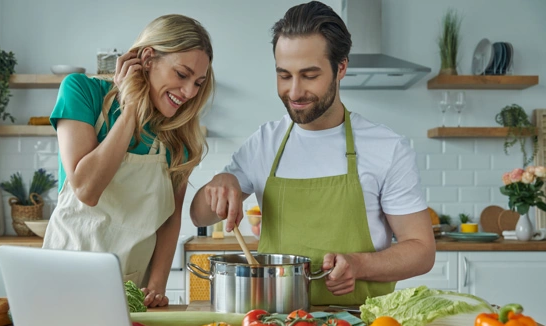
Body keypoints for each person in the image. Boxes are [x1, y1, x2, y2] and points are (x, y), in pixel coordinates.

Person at [190, 1, 435, 306]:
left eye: (309, 75)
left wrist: (360, 265)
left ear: (341, 68)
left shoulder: (386, 148)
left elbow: (422, 250)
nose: (294, 92)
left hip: (360, 325)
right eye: (284, 75)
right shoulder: (264, 143)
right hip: (275, 323)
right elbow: (199, 214)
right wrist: (221, 181)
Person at [43, 14, 214, 307]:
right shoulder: (82, 92)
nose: (189, 93)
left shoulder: (181, 136)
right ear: (148, 59)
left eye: (198, 83)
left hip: (130, 293)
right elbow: (86, 189)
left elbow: (171, 219)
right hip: (64, 280)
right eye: (181, 75)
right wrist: (131, 109)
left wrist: (157, 286)